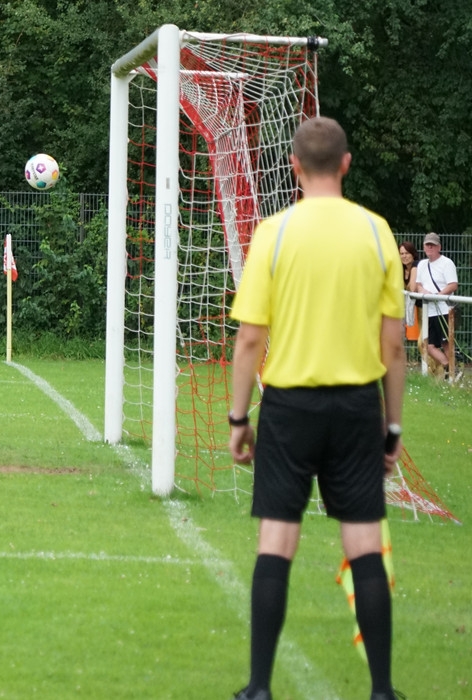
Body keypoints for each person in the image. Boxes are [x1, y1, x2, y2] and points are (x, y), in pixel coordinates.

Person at [227, 117, 405, 700]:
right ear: (346, 164)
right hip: (356, 407)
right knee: (364, 546)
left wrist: (238, 419)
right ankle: (382, 691)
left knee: (276, 542)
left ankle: (259, 687)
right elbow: (394, 346)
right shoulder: (377, 232)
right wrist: (392, 426)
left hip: (289, 409)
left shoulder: (273, 233)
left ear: (294, 166)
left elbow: (249, 339)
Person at [414, 232, 459, 376]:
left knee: (446, 343)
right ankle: (450, 368)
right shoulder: (422, 264)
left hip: (445, 309)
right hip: (430, 310)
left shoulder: (447, 263)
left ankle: (452, 373)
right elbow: (418, 285)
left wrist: (438, 295)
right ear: (423, 247)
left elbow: (453, 285)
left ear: (439, 247)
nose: (430, 247)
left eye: (432, 245)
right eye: (427, 245)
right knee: (428, 345)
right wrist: (424, 292)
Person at [399, 241, 420, 342]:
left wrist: (414, 269)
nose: (404, 256)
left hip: (422, 307)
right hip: (409, 306)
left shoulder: (418, 265)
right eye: (401, 253)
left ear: (413, 254)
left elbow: (412, 288)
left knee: (424, 341)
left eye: (407, 253)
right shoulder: (400, 268)